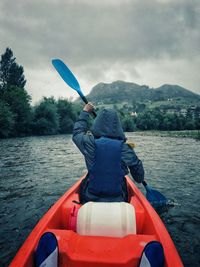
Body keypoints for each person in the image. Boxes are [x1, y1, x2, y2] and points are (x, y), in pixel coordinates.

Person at [72, 102, 145, 203]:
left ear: (97, 123)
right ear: (117, 125)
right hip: (119, 198)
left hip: (90, 197)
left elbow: (77, 133)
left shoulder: (89, 143)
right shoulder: (125, 147)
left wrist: (85, 111)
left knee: (85, 182)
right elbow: (139, 177)